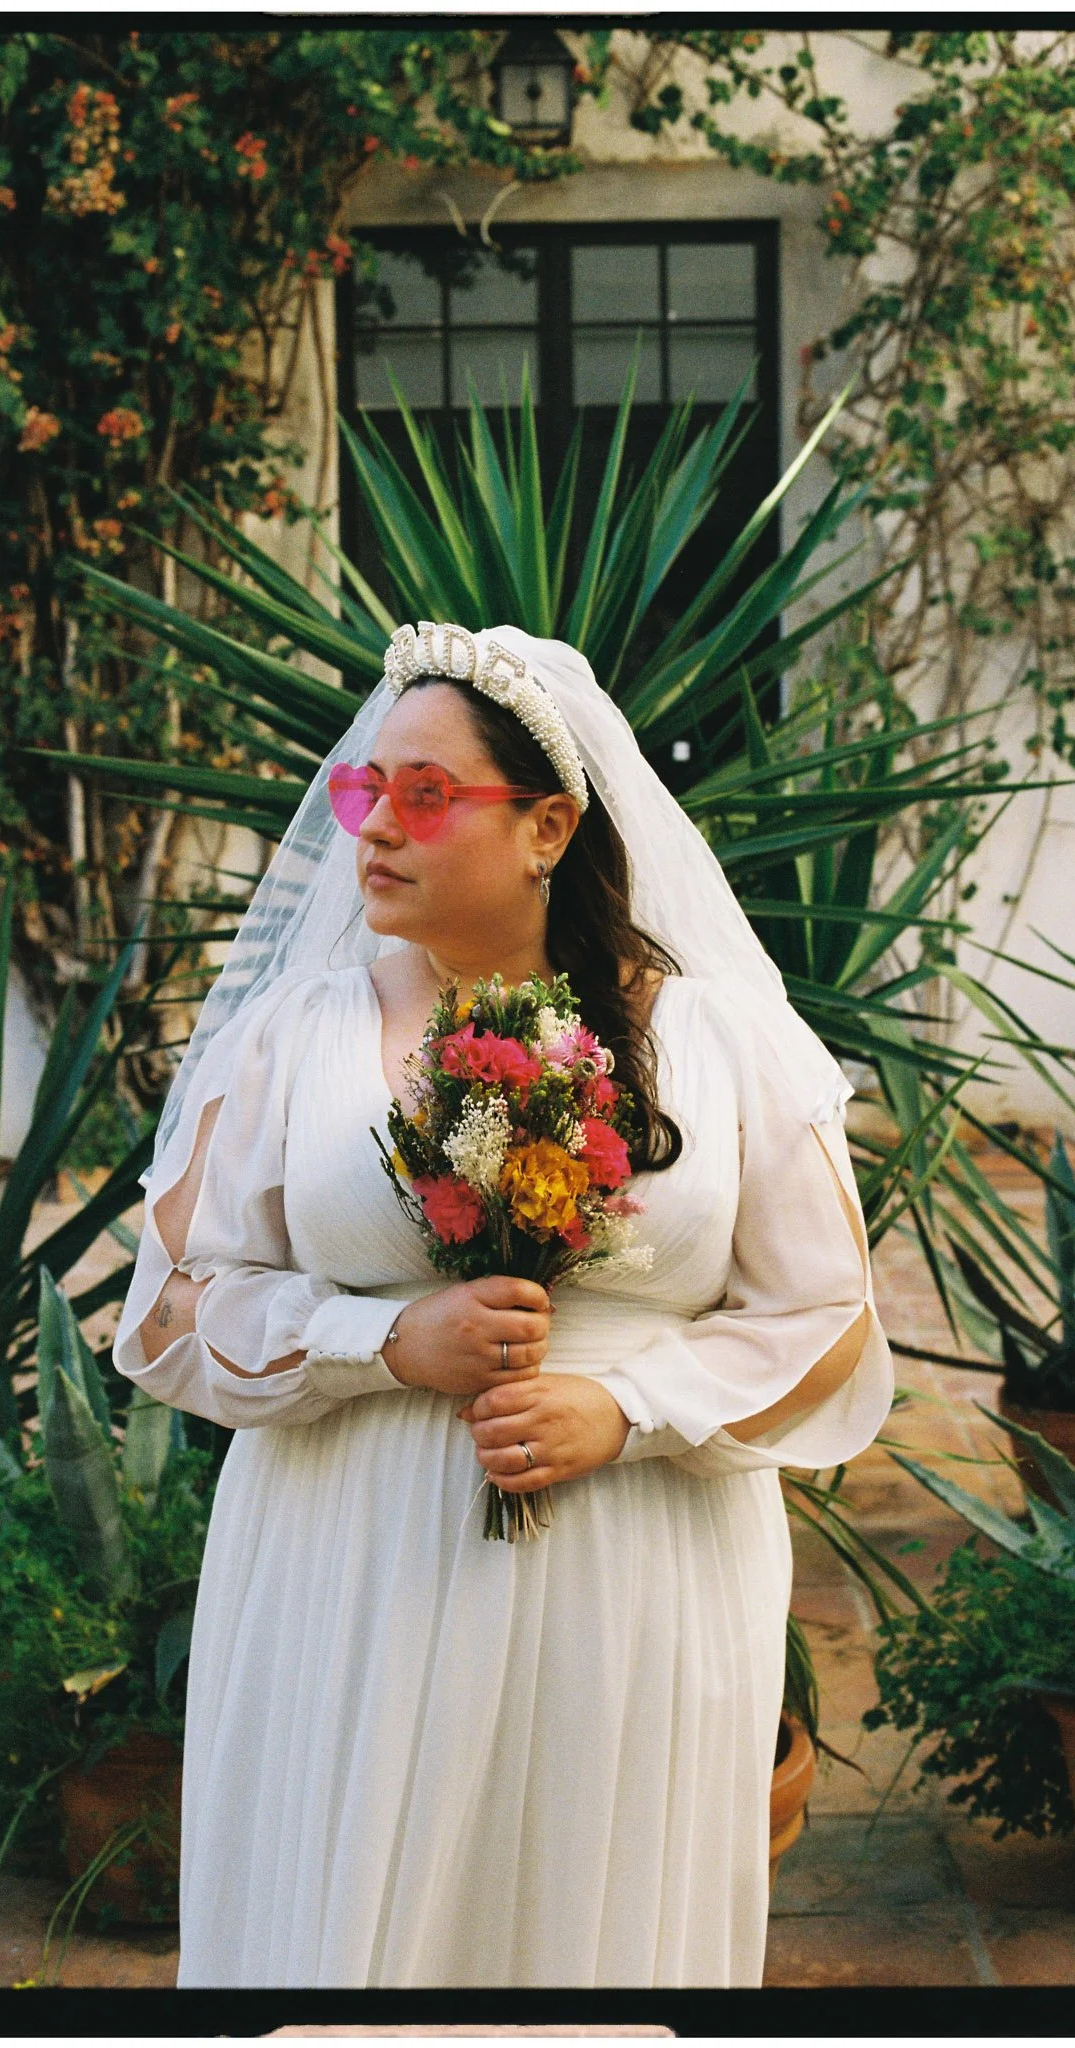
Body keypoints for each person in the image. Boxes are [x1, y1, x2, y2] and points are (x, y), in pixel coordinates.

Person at [111, 621, 895, 1989]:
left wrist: (628, 1406)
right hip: (346, 1560)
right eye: (366, 790)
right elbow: (175, 1305)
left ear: (547, 825)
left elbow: (820, 1311)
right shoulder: (289, 1038)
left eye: (427, 795)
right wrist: (379, 1340)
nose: (373, 827)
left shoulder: (719, 1042)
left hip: (638, 1562)